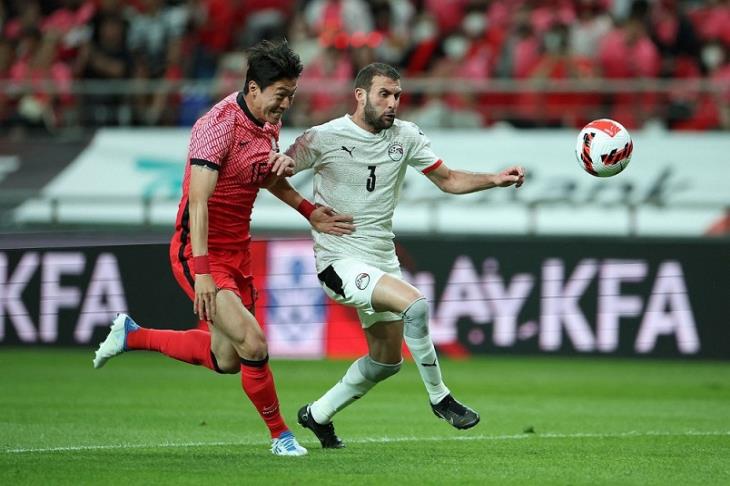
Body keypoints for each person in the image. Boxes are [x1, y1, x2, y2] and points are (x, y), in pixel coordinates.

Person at [92, 40, 354, 456]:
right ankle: (281, 436)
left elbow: (262, 175)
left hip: (237, 252)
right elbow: (198, 202)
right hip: (199, 250)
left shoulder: (267, 122)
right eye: (281, 94)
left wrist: (309, 211)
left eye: (291, 95)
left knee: (227, 359)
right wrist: (202, 272)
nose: (286, 104)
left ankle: (133, 336)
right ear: (253, 88)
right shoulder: (216, 125)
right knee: (254, 343)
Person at [286, 62, 525, 448]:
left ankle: (317, 414)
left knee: (385, 362)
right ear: (360, 95)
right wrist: (307, 210)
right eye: (384, 94)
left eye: (397, 95)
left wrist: (494, 179)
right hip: (338, 262)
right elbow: (273, 173)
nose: (393, 103)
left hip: (381, 261)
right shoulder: (323, 137)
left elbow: (448, 179)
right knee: (416, 305)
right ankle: (440, 398)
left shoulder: (406, 136)